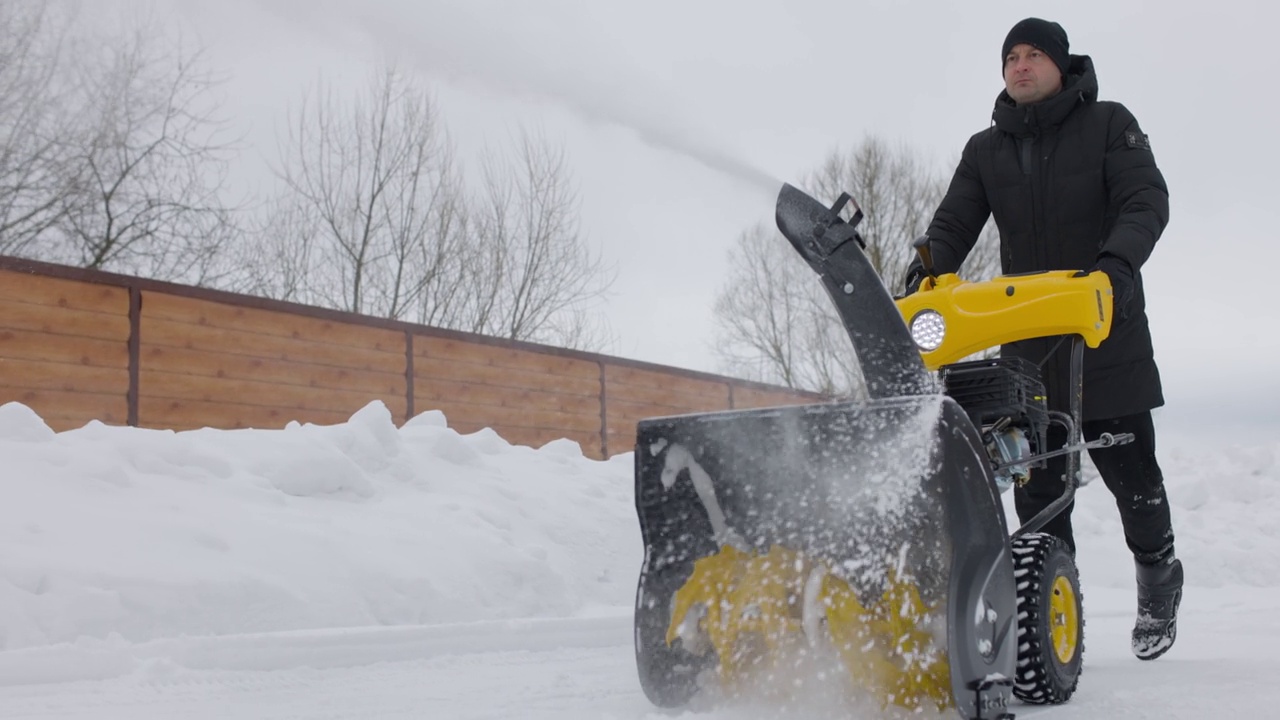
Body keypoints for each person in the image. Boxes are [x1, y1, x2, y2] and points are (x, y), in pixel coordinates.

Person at [903, 18, 1182, 660]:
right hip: (1026, 346)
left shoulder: (1110, 124)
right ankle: (1053, 625)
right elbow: (954, 222)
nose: (1020, 66)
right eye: (1011, 57)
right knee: (1038, 499)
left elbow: (1147, 200)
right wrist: (927, 266)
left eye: (1033, 55)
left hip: (1103, 332)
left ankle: (1159, 577)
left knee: (1133, 476)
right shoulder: (986, 149)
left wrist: (1114, 268)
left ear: (1061, 65)